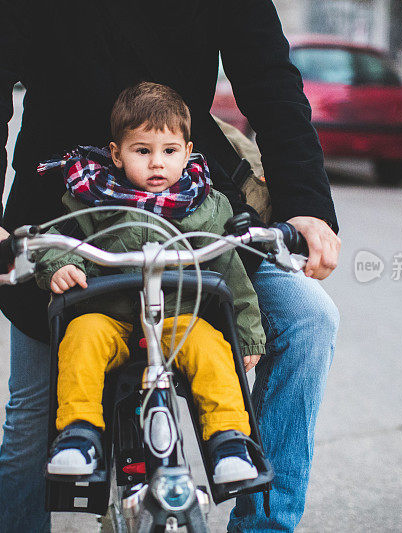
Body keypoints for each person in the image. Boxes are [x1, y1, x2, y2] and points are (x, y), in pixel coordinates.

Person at [0, 1, 340, 530]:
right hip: (65, 213)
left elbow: (269, 78)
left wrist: (307, 205)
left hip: (191, 210)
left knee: (309, 318)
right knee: (34, 433)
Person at [38, 82, 264, 485]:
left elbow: (232, 271)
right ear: (116, 154)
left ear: (188, 152)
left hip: (178, 317)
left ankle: (229, 440)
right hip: (114, 317)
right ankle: (79, 434)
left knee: (213, 348)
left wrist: (248, 333)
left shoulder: (206, 206)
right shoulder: (92, 199)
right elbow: (58, 238)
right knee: (80, 336)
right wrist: (59, 265)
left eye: (169, 151)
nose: (157, 163)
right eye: (142, 151)